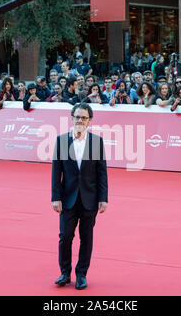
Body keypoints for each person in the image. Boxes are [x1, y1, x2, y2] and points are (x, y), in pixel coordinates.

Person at [51, 102, 108, 290]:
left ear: (90, 120)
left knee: (87, 238)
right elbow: (56, 171)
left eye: (84, 118)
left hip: (89, 199)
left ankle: (81, 274)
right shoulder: (61, 140)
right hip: (67, 199)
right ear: (72, 118)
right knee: (65, 236)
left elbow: (102, 172)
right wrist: (55, 197)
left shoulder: (96, 142)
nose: (80, 120)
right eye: (77, 117)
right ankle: (65, 273)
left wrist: (103, 198)